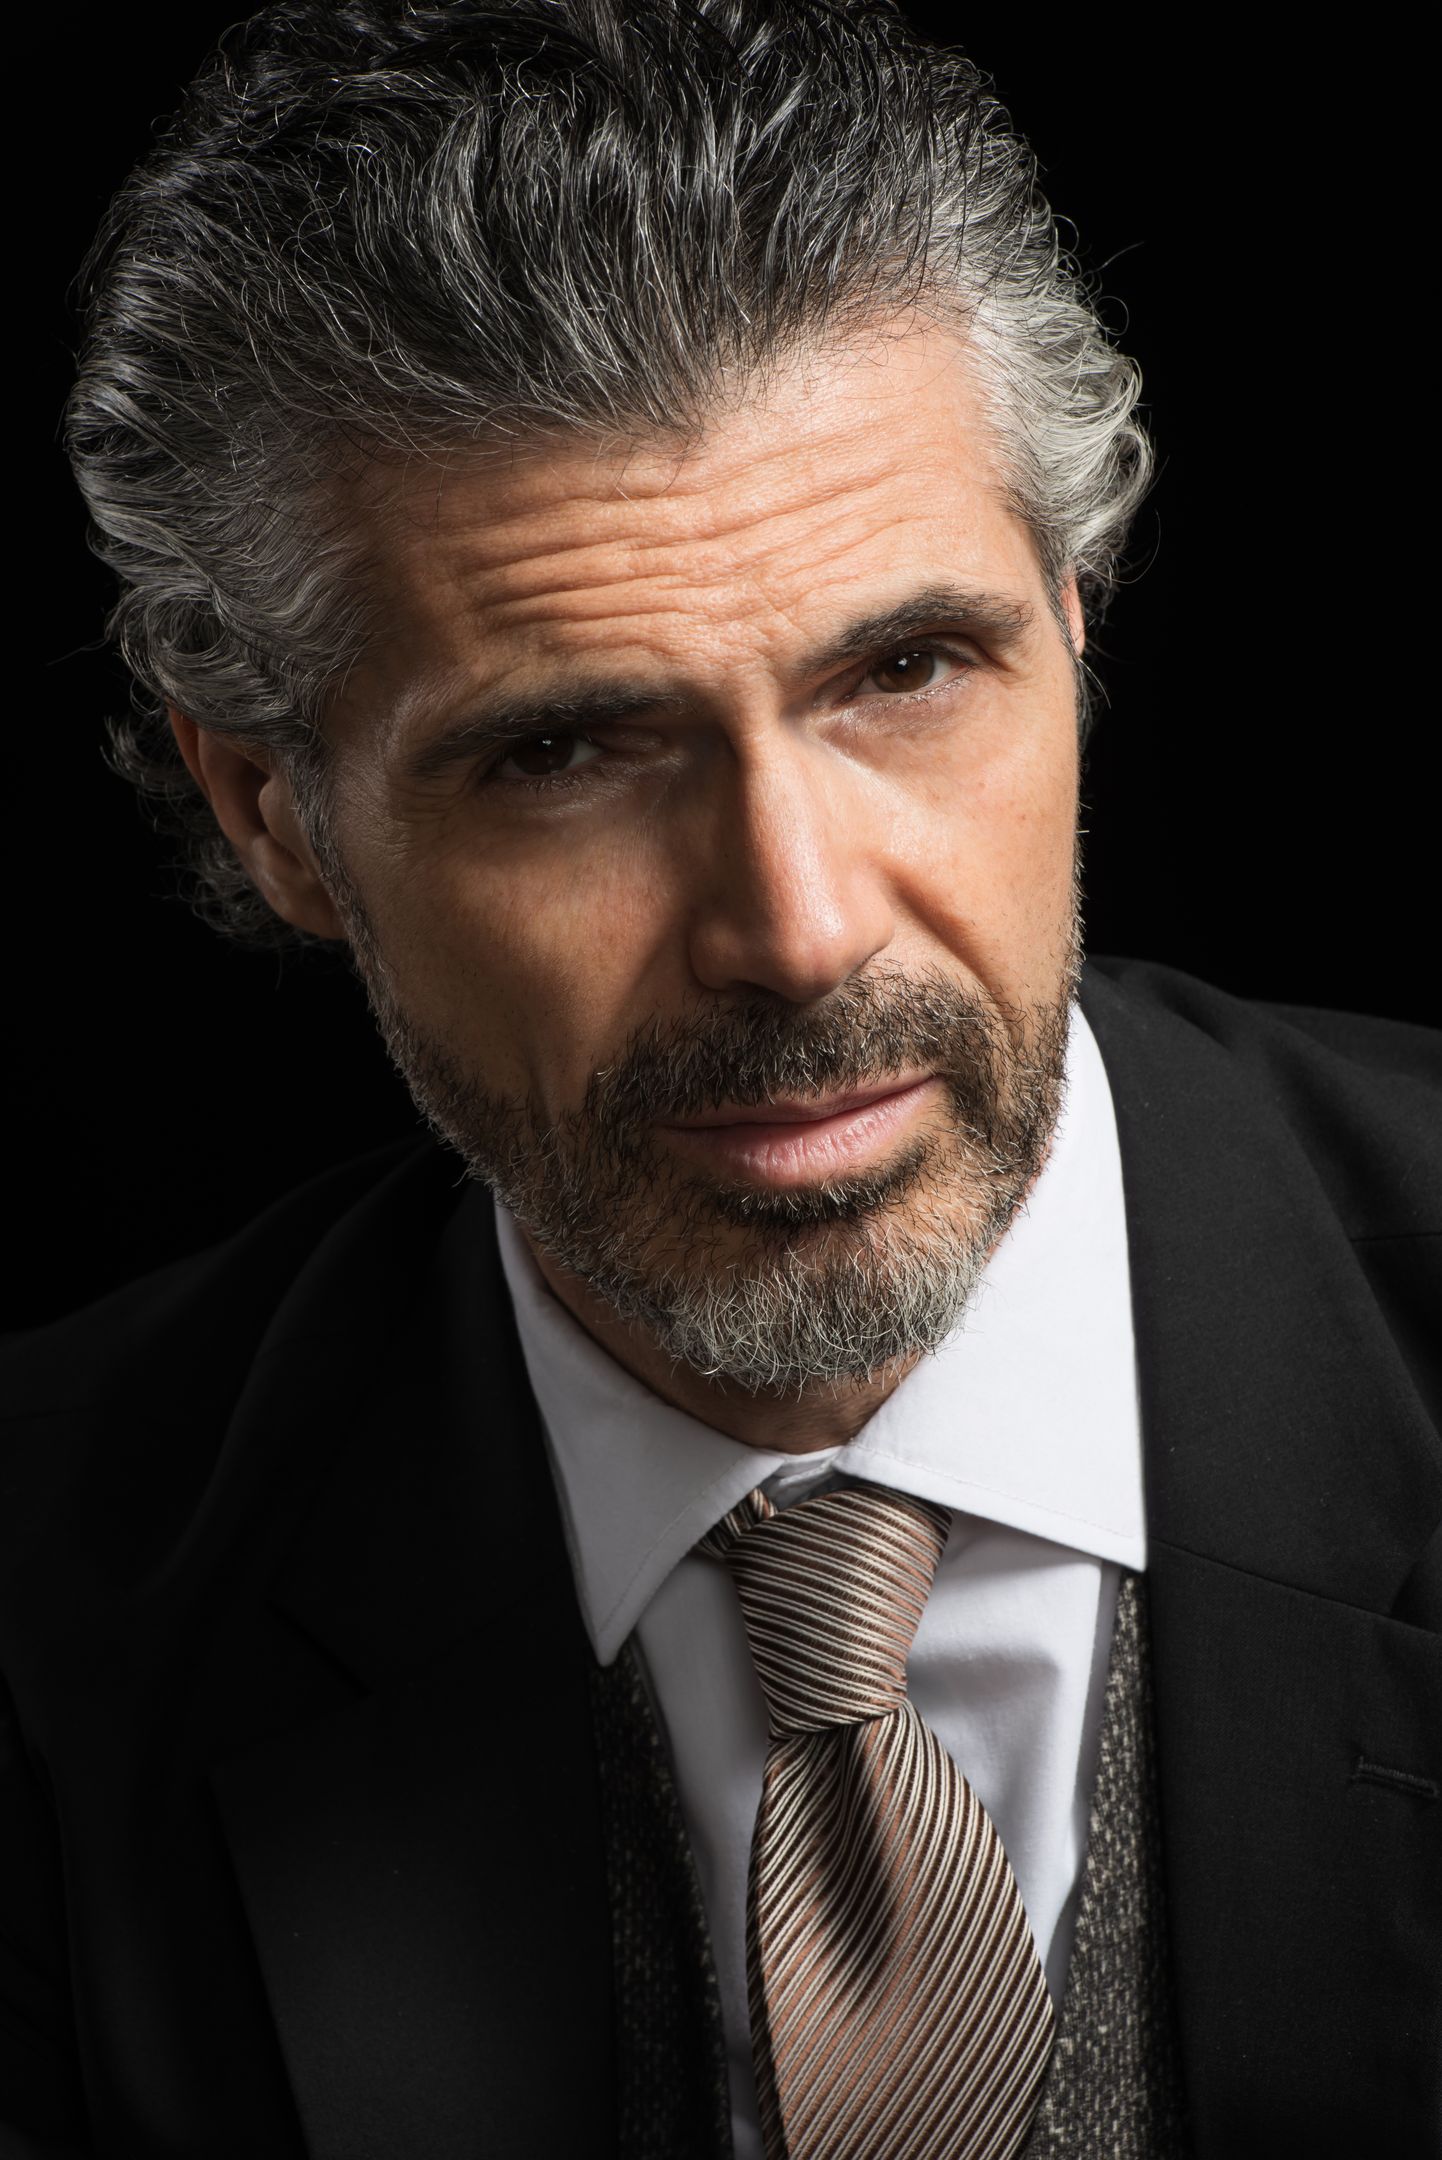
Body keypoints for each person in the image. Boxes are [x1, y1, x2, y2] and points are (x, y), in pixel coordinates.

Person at [3, 1, 1438, 2154]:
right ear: (273, 815)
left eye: (904, 670)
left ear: (1073, 624)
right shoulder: (43, 1616)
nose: (798, 927)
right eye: (563, 751)